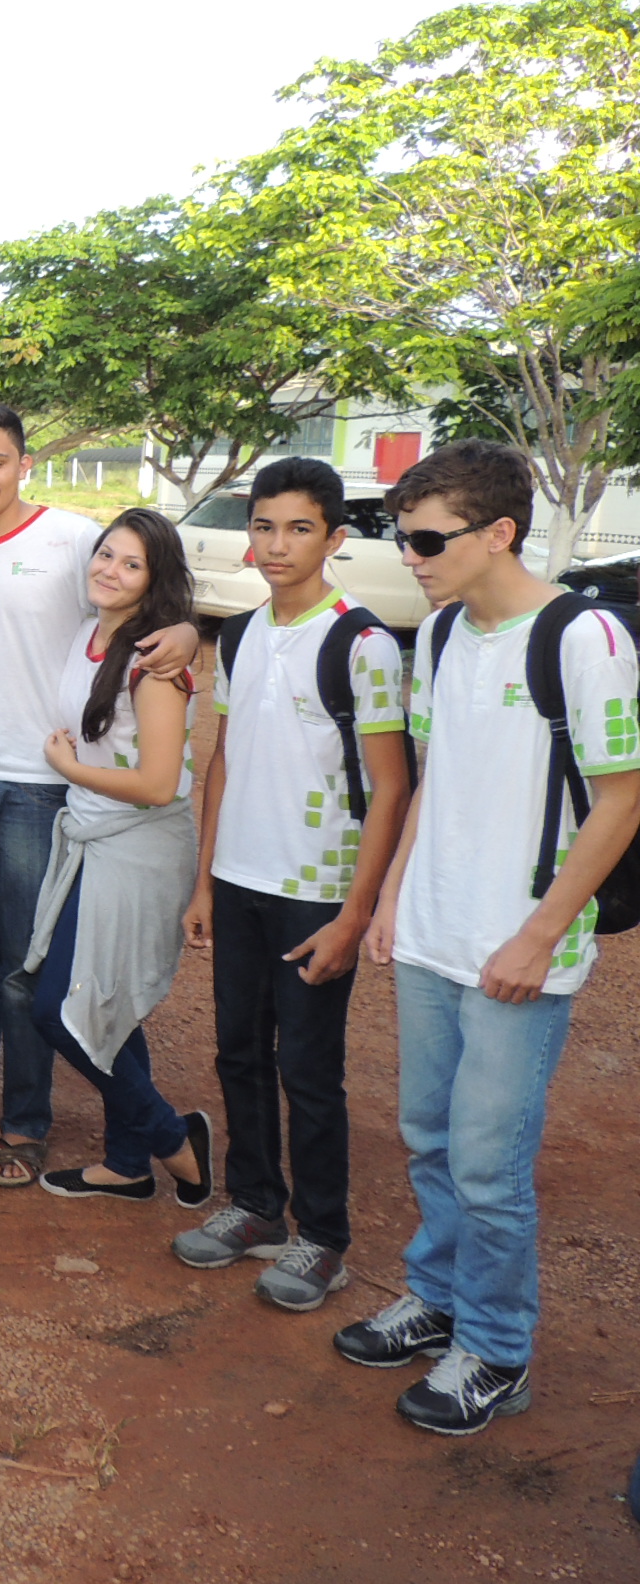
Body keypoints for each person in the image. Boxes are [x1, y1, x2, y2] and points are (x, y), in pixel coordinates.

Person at [343, 442, 640, 1437]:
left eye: (428, 539)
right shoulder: (435, 639)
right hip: (432, 933)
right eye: (401, 535)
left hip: (520, 952)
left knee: (486, 1160)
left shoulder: (583, 638)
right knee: (426, 1136)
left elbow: (621, 801)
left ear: (497, 533)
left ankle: (498, 1348)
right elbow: (431, 778)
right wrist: (390, 896)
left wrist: (539, 933)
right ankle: (437, 1298)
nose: (412, 555)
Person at [0, 402, 196, 1189]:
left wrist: (188, 632)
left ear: (24, 463)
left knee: (28, 967)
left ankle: (24, 1125)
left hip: (42, 788)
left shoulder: (74, 540)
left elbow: (148, 592)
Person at [178, 458, 412, 1310]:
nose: (277, 545)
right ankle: (254, 1207)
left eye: (299, 528)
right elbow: (225, 761)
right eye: (265, 527)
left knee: (309, 1069)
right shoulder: (238, 636)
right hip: (238, 881)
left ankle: (322, 1238)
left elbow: (391, 784)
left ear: (335, 538)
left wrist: (357, 911)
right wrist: (204, 883)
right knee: (238, 1051)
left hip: (316, 892)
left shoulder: (365, 644)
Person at [19, 509, 213, 1208]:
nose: (110, 570)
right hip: (95, 836)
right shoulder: (90, 631)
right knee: (106, 1009)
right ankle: (130, 1161)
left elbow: (158, 785)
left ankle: (170, 1137)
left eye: (131, 564)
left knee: (58, 1010)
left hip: (138, 846)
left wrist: (67, 767)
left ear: (156, 580)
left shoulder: (155, 661)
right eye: (106, 555)